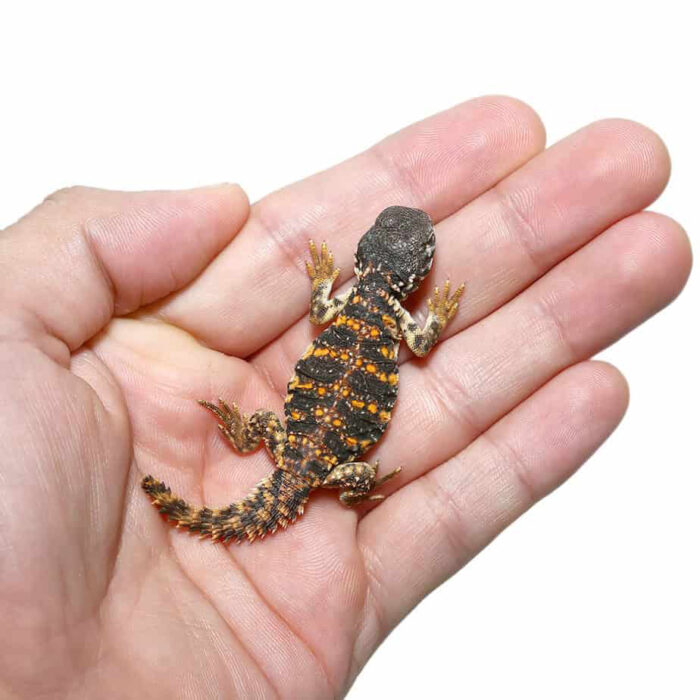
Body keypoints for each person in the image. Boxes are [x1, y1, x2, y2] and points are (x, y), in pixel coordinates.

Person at [0, 96, 690, 698]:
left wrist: (326, 288)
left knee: (267, 437)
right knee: (320, 473)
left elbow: (327, 307)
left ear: (372, 263)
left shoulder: (346, 300)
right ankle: (269, 488)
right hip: (325, 463)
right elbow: (421, 344)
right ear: (399, 268)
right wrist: (436, 322)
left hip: (297, 438)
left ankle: (241, 447)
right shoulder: (392, 316)